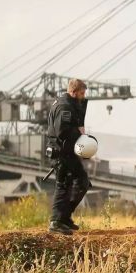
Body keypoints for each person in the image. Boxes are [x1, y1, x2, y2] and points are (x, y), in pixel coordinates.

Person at [47, 78, 91, 235]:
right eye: (81, 93)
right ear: (73, 92)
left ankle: (64, 217)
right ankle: (56, 222)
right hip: (62, 153)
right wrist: (79, 133)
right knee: (63, 185)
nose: (83, 96)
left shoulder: (70, 104)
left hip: (68, 152)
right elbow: (62, 132)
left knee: (82, 182)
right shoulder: (64, 106)